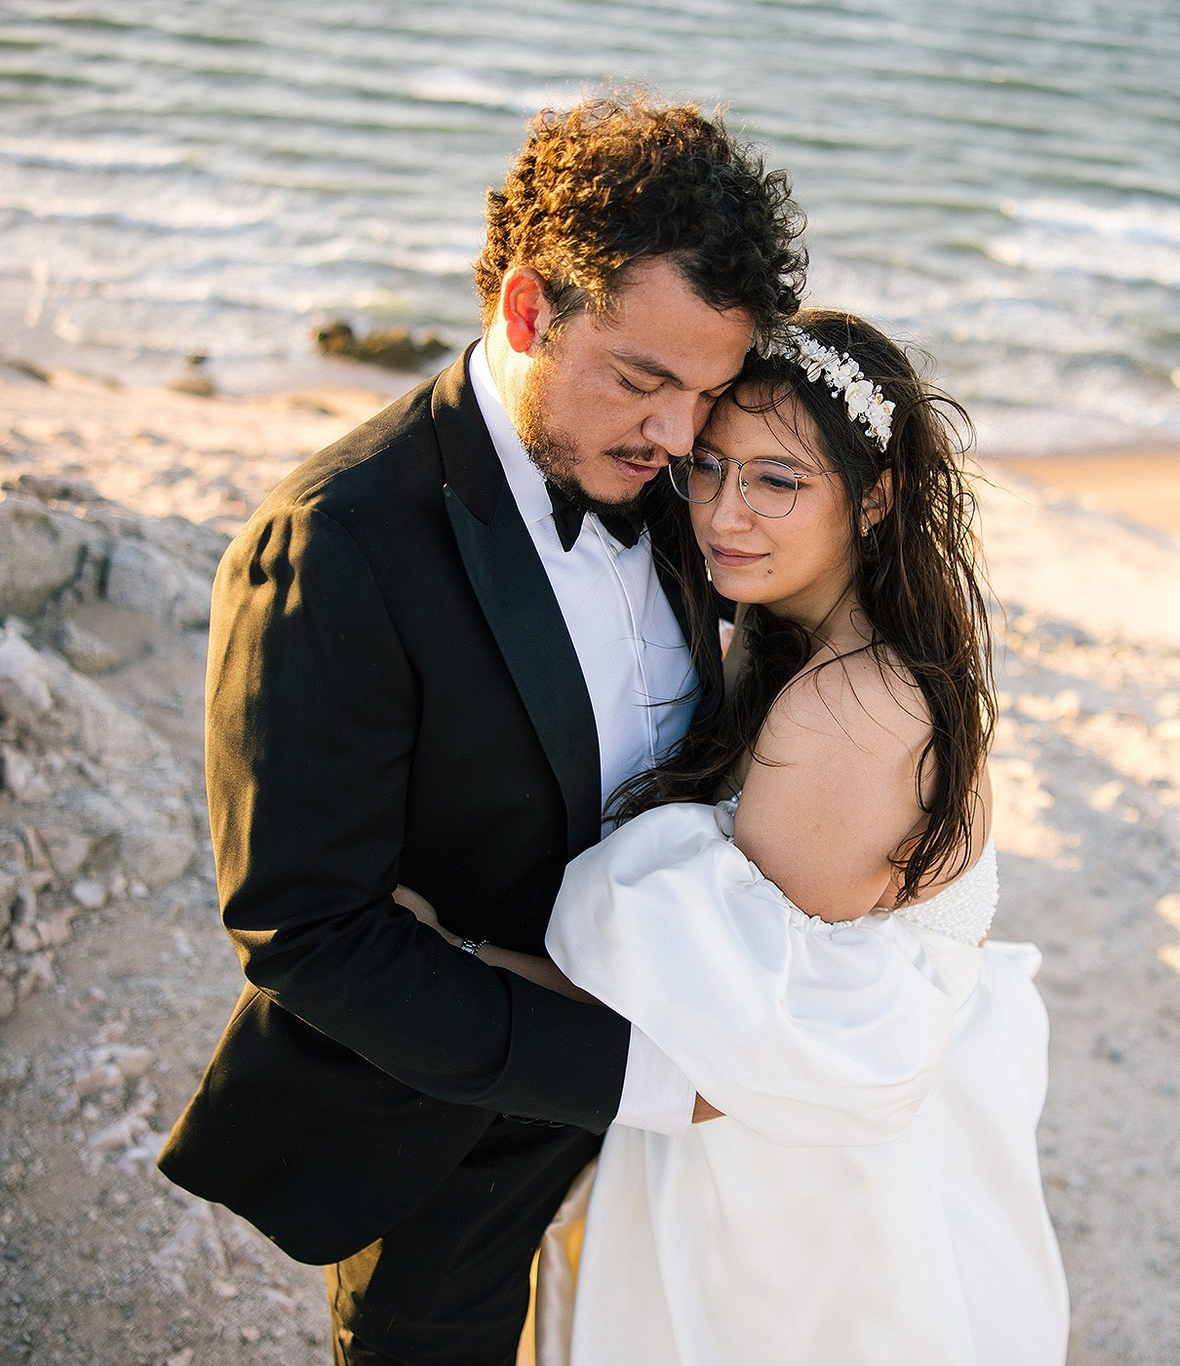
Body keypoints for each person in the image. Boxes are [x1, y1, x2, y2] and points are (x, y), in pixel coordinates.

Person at [155, 94, 807, 1364]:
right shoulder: (334, 547)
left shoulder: (672, 474)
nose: (682, 438)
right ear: (526, 309)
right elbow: (310, 933)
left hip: (665, 1081)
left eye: (709, 392)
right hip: (451, 1120)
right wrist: (640, 1076)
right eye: (644, 380)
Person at [405, 310, 1069, 1365]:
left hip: (793, 1185)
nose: (723, 514)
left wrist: (456, 957)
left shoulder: (845, 708)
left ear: (876, 493)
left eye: (776, 480)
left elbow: (712, 1013)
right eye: (708, 468)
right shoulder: (826, 637)